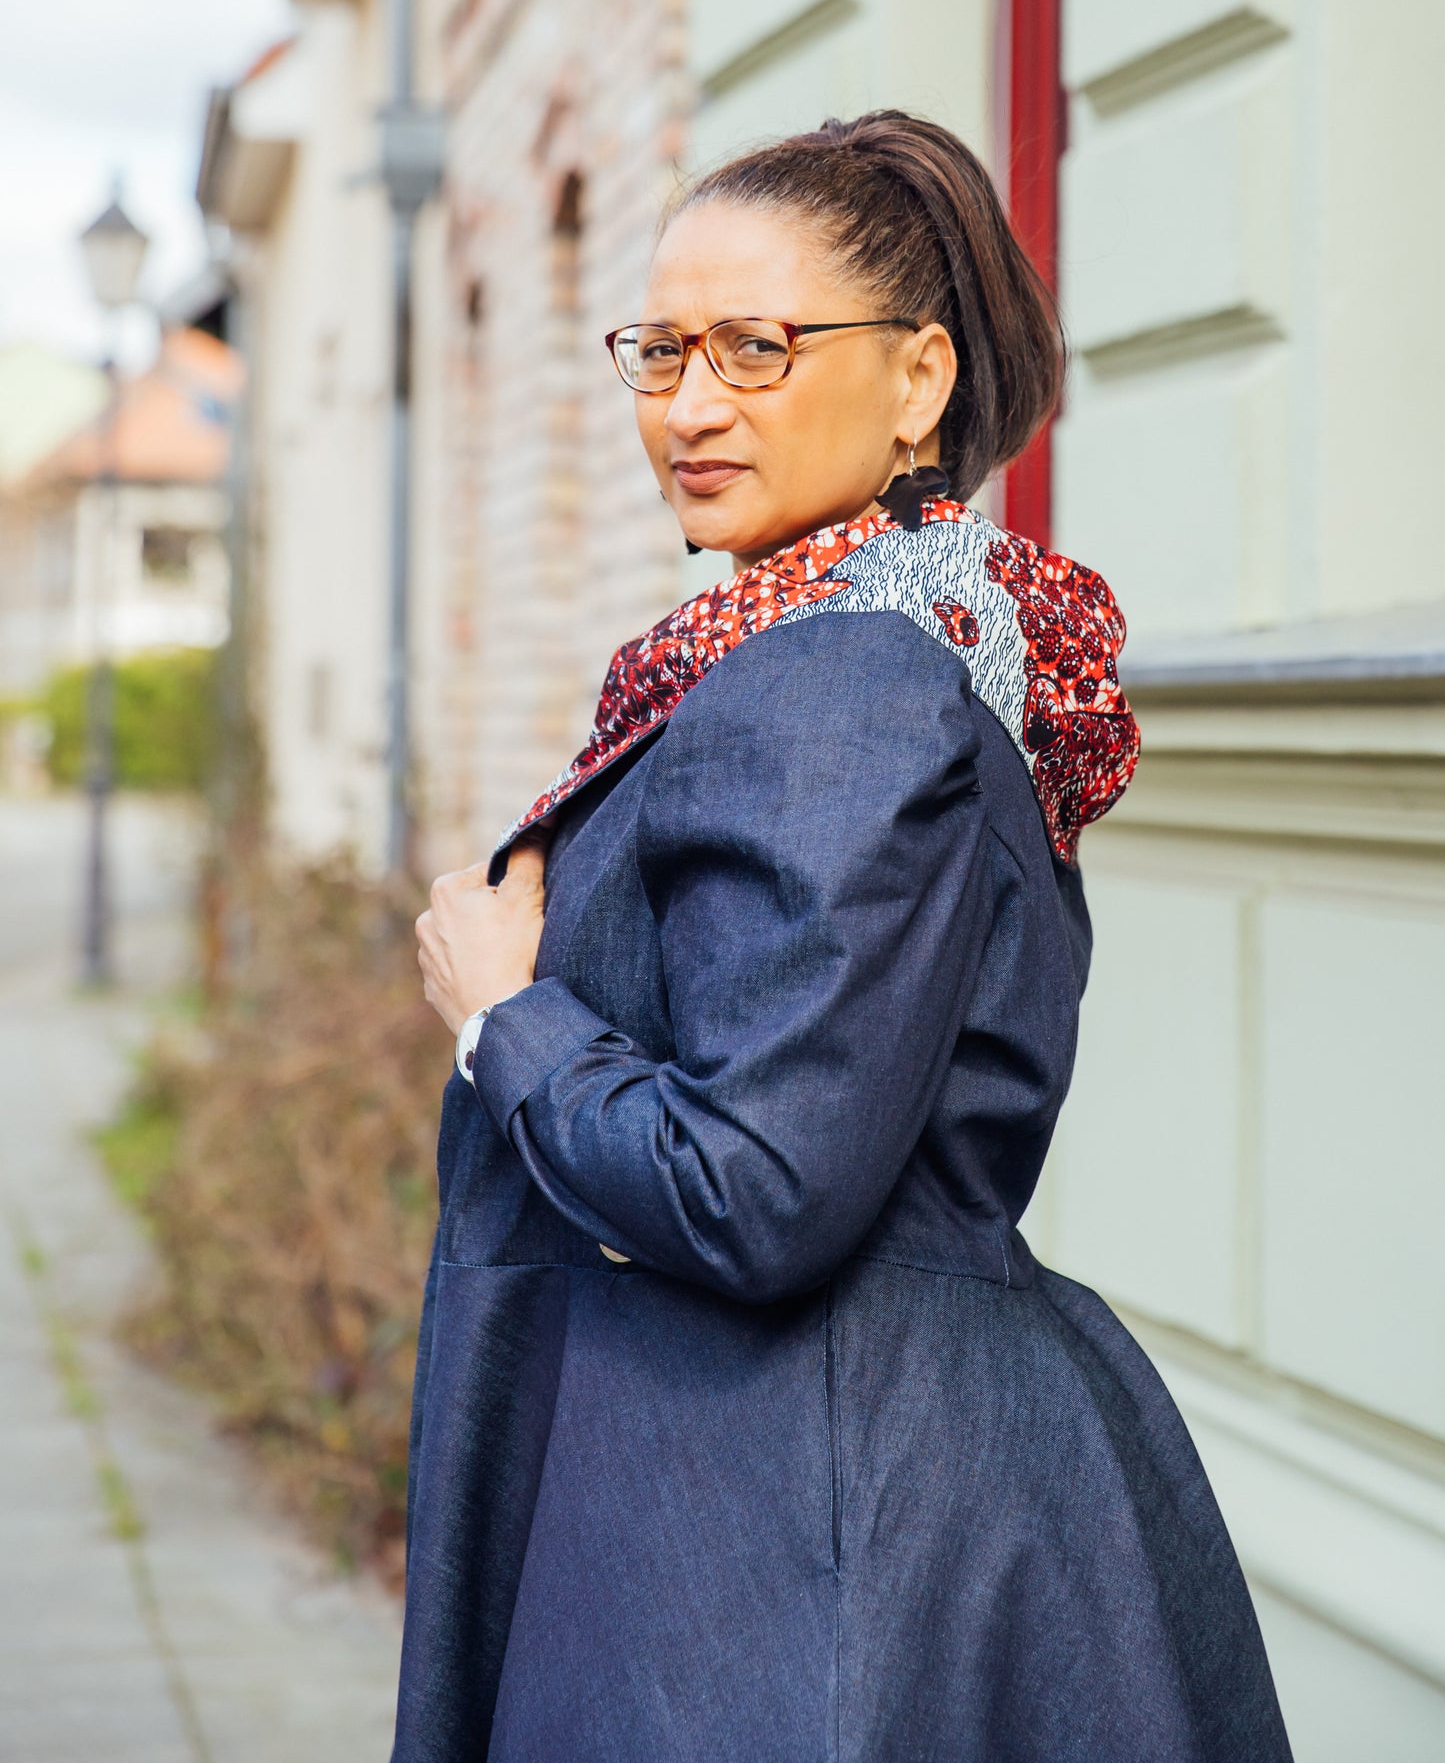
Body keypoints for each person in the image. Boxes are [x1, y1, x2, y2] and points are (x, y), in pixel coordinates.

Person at [396, 111, 1291, 1762]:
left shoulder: (837, 682)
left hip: (775, 1539)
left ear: (918, 382)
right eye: (660, 350)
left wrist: (500, 1011)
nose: (690, 403)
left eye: (758, 346)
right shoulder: (873, 647)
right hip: (839, 1484)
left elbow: (757, 1191)